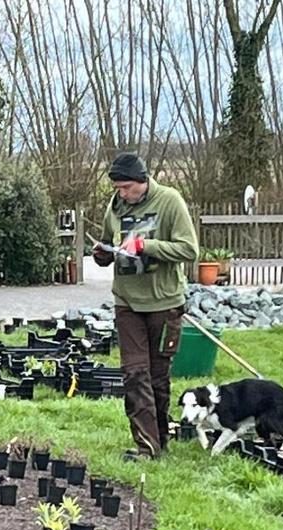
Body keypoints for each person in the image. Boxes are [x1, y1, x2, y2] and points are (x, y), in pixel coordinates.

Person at [93, 152, 198, 459]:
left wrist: (145, 246)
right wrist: (103, 254)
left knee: (156, 377)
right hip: (127, 303)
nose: (121, 194)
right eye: (117, 188)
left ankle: (160, 439)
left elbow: (189, 248)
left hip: (164, 303)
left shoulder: (169, 201)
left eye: (126, 188)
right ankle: (146, 447)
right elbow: (106, 240)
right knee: (134, 374)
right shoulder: (115, 208)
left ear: (142, 181)